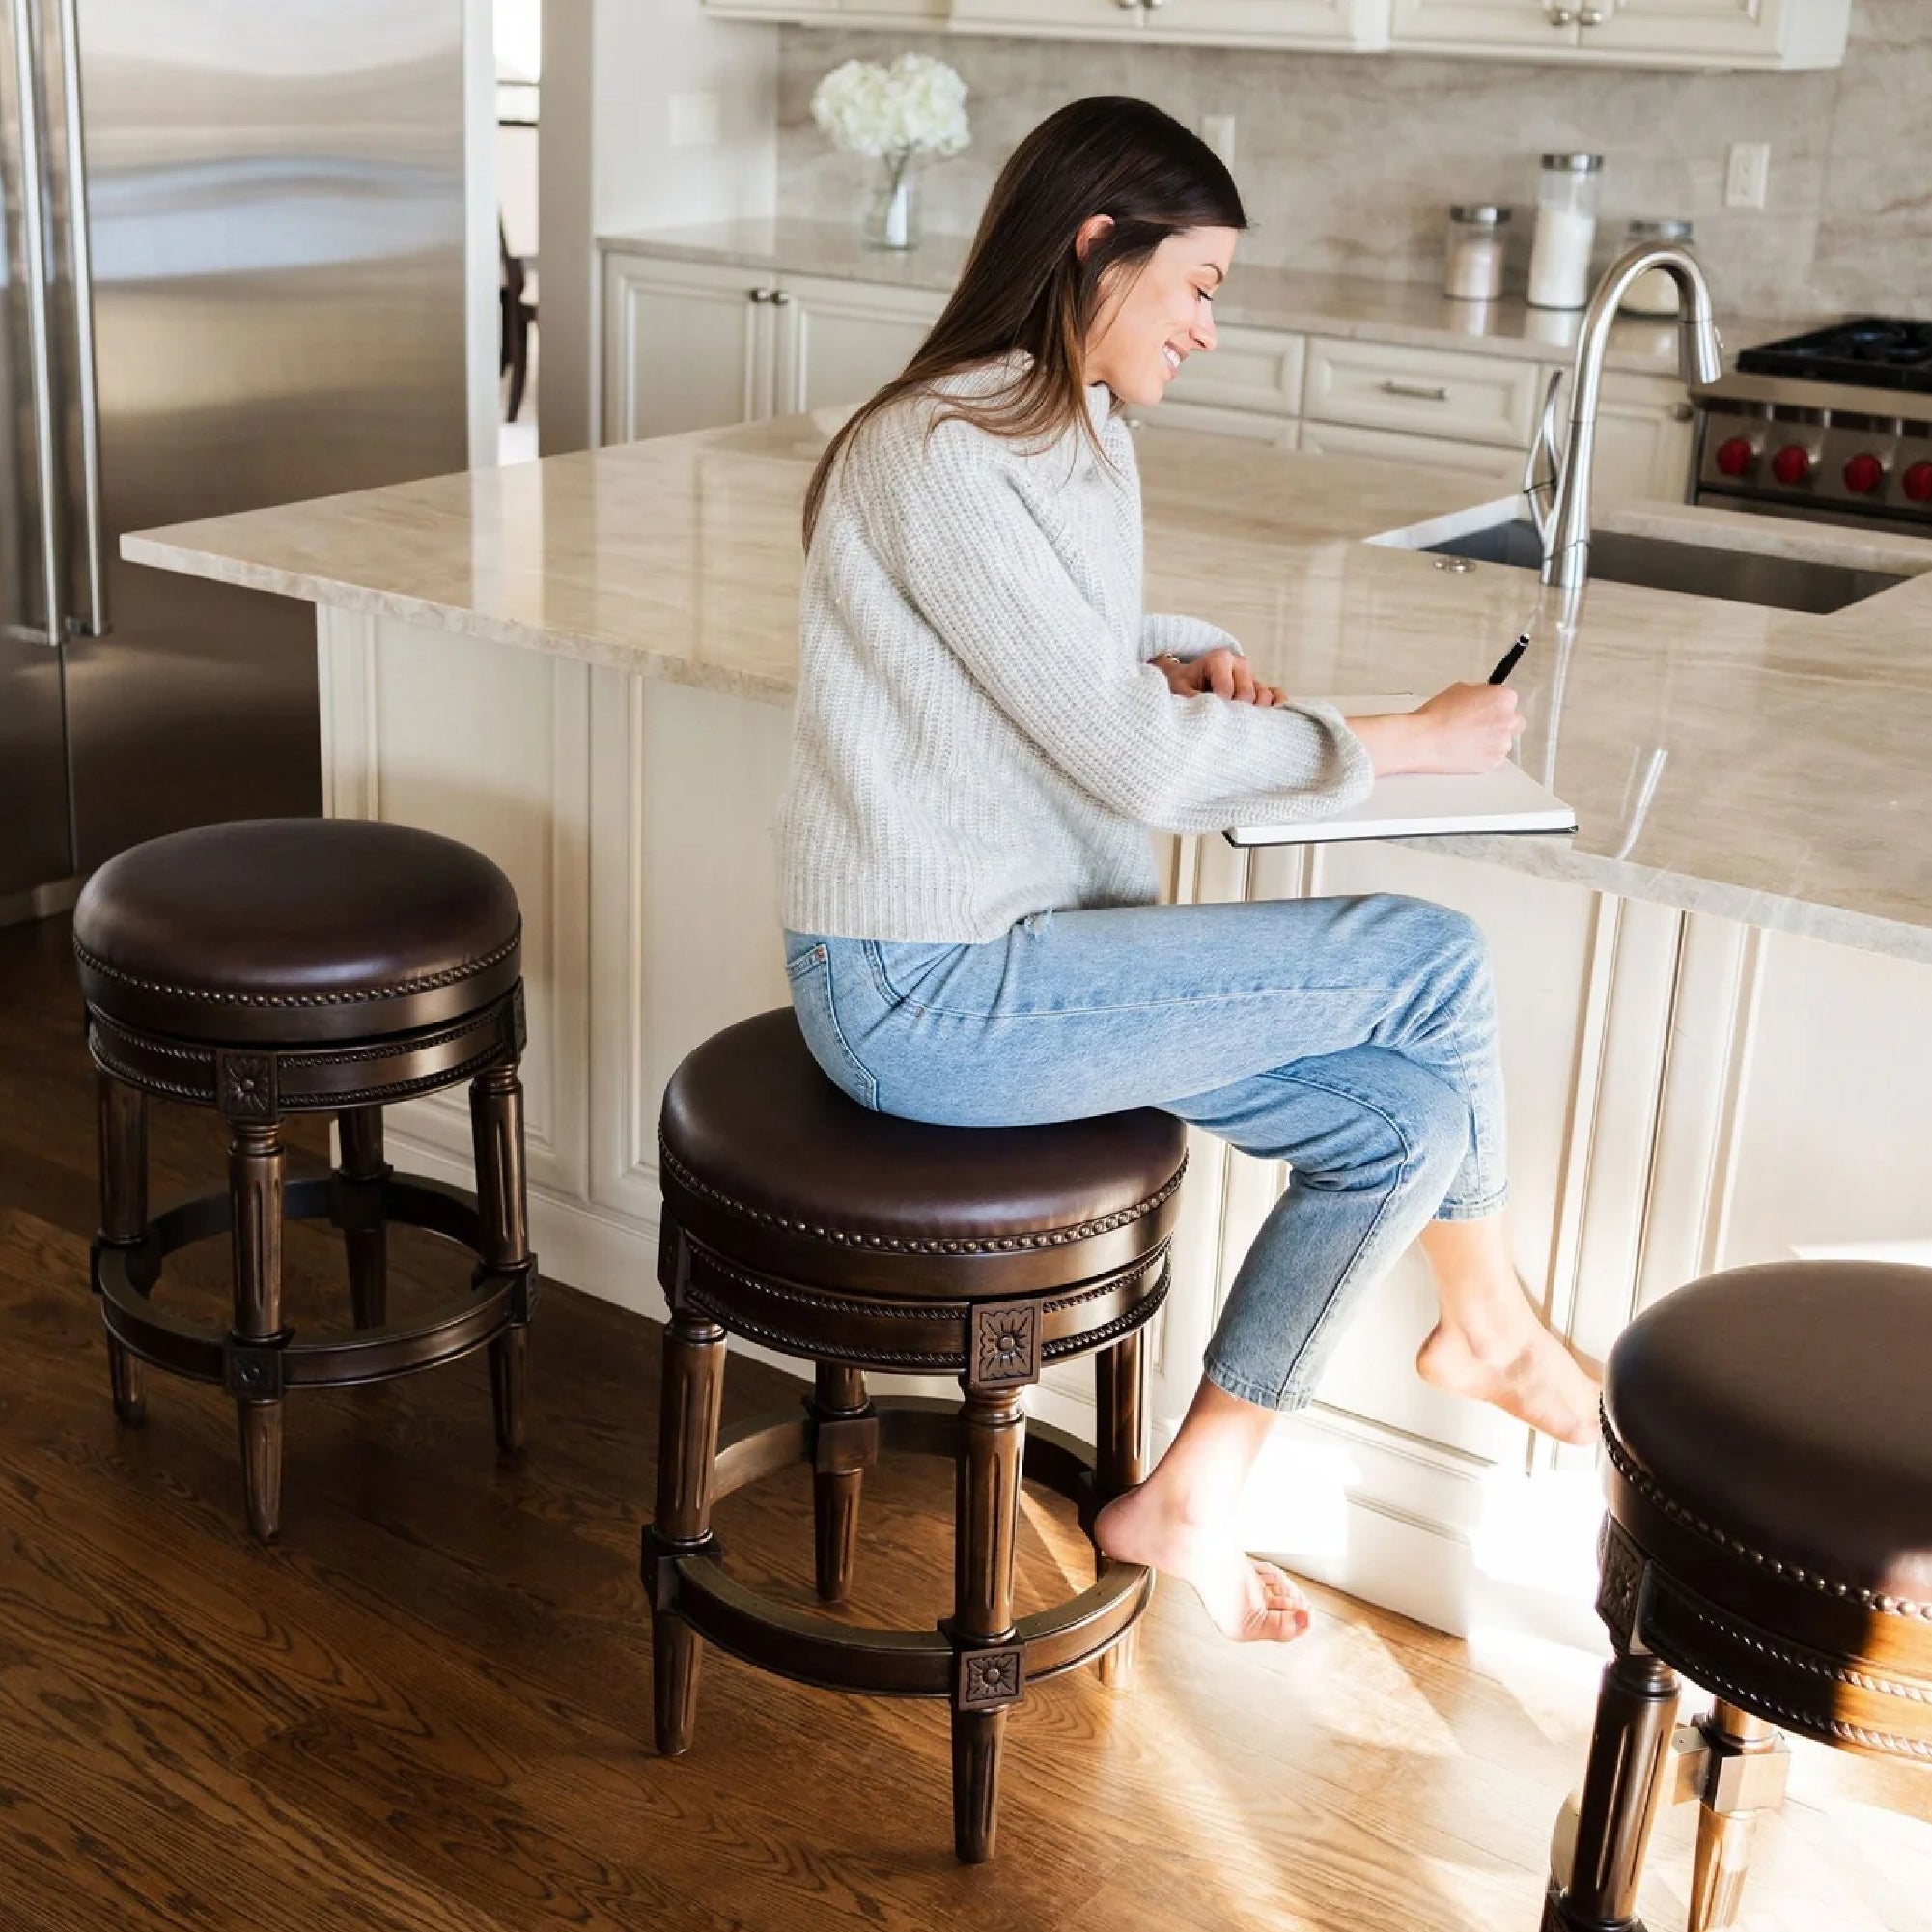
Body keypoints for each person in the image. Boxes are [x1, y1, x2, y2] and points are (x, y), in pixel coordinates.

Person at [775, 96, 1599, 1648]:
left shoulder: (1072, 427)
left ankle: (1188, 1494)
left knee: (1408, 1126)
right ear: (1097, 247)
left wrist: (1179, 645)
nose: (1209, 327)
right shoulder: (930, 448)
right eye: (1199, 284)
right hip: (920, 987)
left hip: (1038, 958)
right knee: (1426, 956)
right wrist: (1405, 741)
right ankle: (1490, 1329)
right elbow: (1130, 757)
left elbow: (1058, 645)